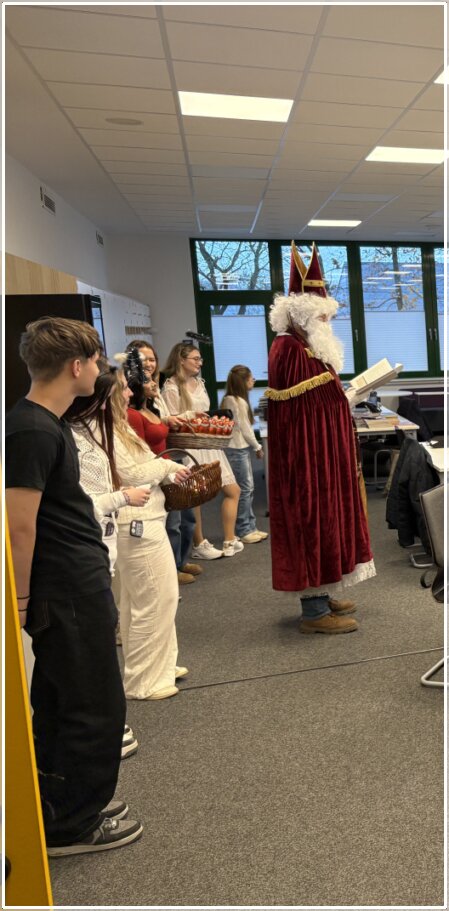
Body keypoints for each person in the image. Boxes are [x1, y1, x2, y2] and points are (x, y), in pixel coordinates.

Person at [5, 316, 142, 856]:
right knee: (91, 705)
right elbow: (19, 526)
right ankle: (71, 825)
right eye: (98, 361)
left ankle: (63, 805)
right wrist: (19, 600)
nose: (102, 370)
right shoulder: (32, 430)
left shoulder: (45, 422)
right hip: (64, 590)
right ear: (76, 366)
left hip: (74, 585)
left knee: (65, 699)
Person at [266, 243, 375, 633]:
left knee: (328, 522)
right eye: (323, 316)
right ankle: (313, 613)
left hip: (323, 452)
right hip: (308, 459)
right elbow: (303, 410)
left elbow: (318, 399)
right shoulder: (289, 348)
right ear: (303, 315)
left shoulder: (306, 346)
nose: (328, 322)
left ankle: (322, 593)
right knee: (311, 523)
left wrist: (344, 397)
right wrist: (342, 397)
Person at [65, 364, 152, 760]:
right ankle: (101, 730)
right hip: (84, 551)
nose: (128, 394)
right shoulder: (68, 438)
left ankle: (106, 724)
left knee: (102, 635)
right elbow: (79, 504)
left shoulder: (92, 433)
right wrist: (123, 497)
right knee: (91, 647)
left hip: (102, 547)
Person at [111, 368, 191, 699]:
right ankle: (144, 681)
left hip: (146, 518)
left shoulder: (118, 426)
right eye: (122, 388)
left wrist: (165, 473)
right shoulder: (107, 430)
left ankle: (159, 668)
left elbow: (146, 464)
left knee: (147, 601)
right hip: (137, 523)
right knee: (154, 600)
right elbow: (132, 472)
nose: (130, 392)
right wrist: (168, 467)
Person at [125, 340, 201, 585]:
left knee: (185, 517)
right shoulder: (133, 410)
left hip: (169, 462)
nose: (149, 364)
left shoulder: (151, 400)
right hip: (158, 469)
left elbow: (161, 421)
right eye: (143, 359)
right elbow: (140, 448)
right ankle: (172, 567)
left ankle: (180, 560)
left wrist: (174, 420)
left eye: (152, 359)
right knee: (172, 522)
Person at [162, 342, 242, 558]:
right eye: (195, 359)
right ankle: (199, 544)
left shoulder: (200, 382)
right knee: (195, 496)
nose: (200, 363)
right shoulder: (171, 387)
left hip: (208, 443)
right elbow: (172, 421)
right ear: (181, 360)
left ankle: (229, 540)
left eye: (200, 359)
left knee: (233, 490)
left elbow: (205, 412)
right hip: (189, 445)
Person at [221, 365, 268, 544]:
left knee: (247, 488)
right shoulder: (237, 401)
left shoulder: (232, 399)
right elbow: (246, 429)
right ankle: (244, 529)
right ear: (243, 381)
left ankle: (250, 527)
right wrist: (257, 447)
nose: (253, 381)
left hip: (237, 448)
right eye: (251, 378)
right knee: (245, 489)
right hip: (237, 449)